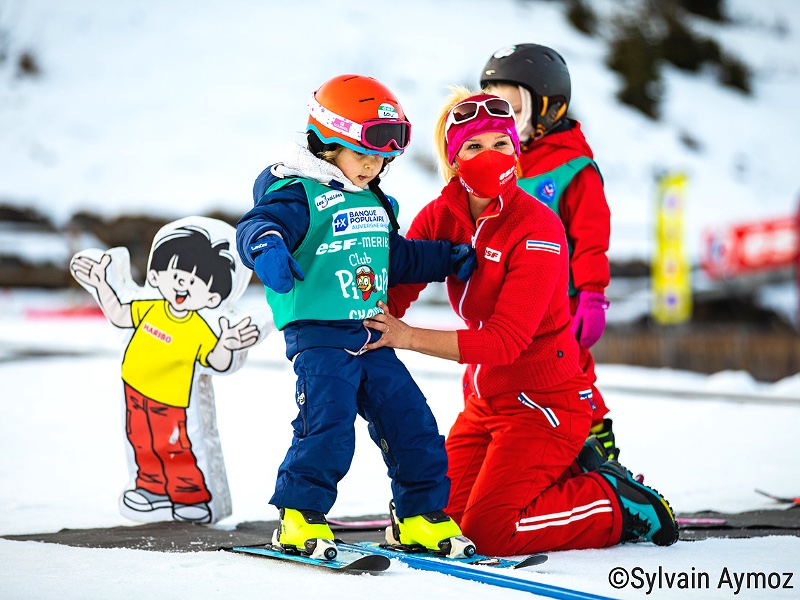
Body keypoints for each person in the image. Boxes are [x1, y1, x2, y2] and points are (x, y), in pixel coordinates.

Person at [366, 88, 678, 555]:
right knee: (437, 518)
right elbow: (397, 294)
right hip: (485, 401)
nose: (489, 155)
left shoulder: (536, 226)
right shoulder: (439, 217)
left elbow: (506, 341)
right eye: (473, 146)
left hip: (545, 404)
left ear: (516, 151)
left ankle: (613, 502)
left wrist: (407, 338)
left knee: (491, 533)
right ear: (453, 158)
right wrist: (343, 322)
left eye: (501, 144)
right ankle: (563, 472)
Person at [235, 74, 477, 560]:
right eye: (362, 154)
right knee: (327, 425)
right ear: (327, 143)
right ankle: (300, 518)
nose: (372, 165)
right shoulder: (298, 192)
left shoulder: (373, 199)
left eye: (381, 157)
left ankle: (419, 517)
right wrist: (267, 248)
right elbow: (258, 224)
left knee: (413, 423)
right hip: (321, 337)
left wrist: (448, 257)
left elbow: (396, 257)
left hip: (372, 334)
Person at [480, 44, 618, 459]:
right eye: (495, 106)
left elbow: (592, 240)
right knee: (502, 377)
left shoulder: (573, 169)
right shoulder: (498, 161)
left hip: (562, 303)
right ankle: (513, 450)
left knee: (571, 374)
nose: (504, 118)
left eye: (514, 106)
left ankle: (599, 451)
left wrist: (592, 297)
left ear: (549, 109)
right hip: (509, 301)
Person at [70, 225, 260, 524]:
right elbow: (120, 314)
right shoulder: (150, 306)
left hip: (171, 401)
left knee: (175, 446)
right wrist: (101, 285)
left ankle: (191, 496)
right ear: (156, 276)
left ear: (213, 297)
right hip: (134, 389)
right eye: (176, 275)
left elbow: (215, 361)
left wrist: (227, 344)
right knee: (141, 442)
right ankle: (150, 491)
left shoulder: (200, 325)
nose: (183, 284)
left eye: (195, 282)